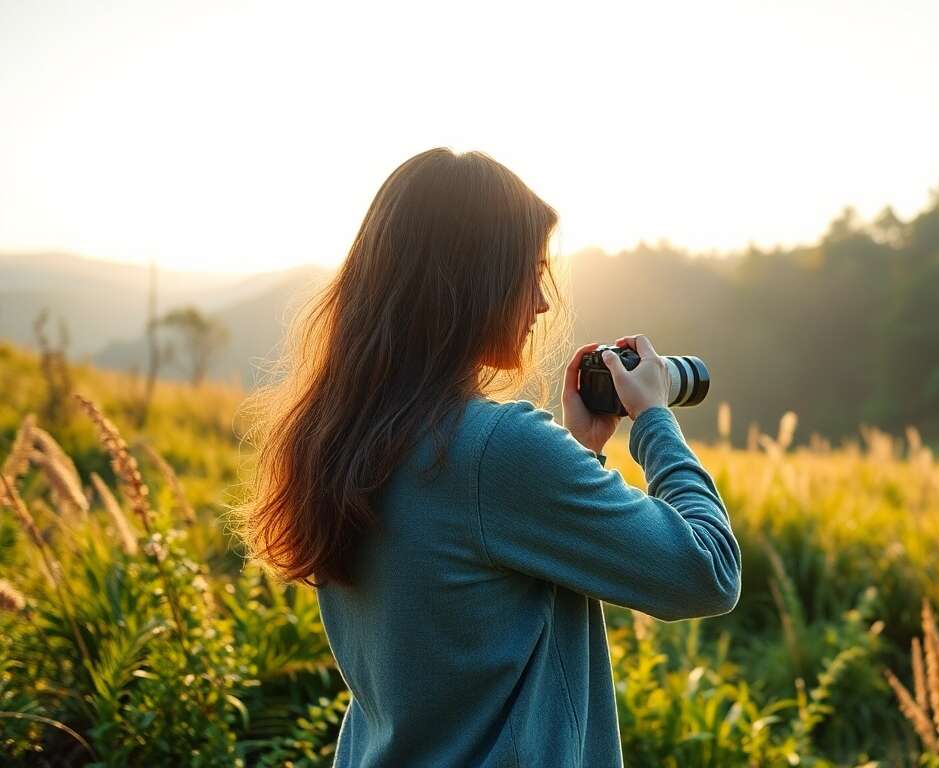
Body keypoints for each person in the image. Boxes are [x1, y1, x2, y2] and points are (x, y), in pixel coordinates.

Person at [236, 148, 742, 767]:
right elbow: (708, 573)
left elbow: (459, 628)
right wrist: (655, 420)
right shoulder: (495, 448)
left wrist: (580, 453)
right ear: (471, 281)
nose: (542, 302)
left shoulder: (343, 437)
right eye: (529, 273)